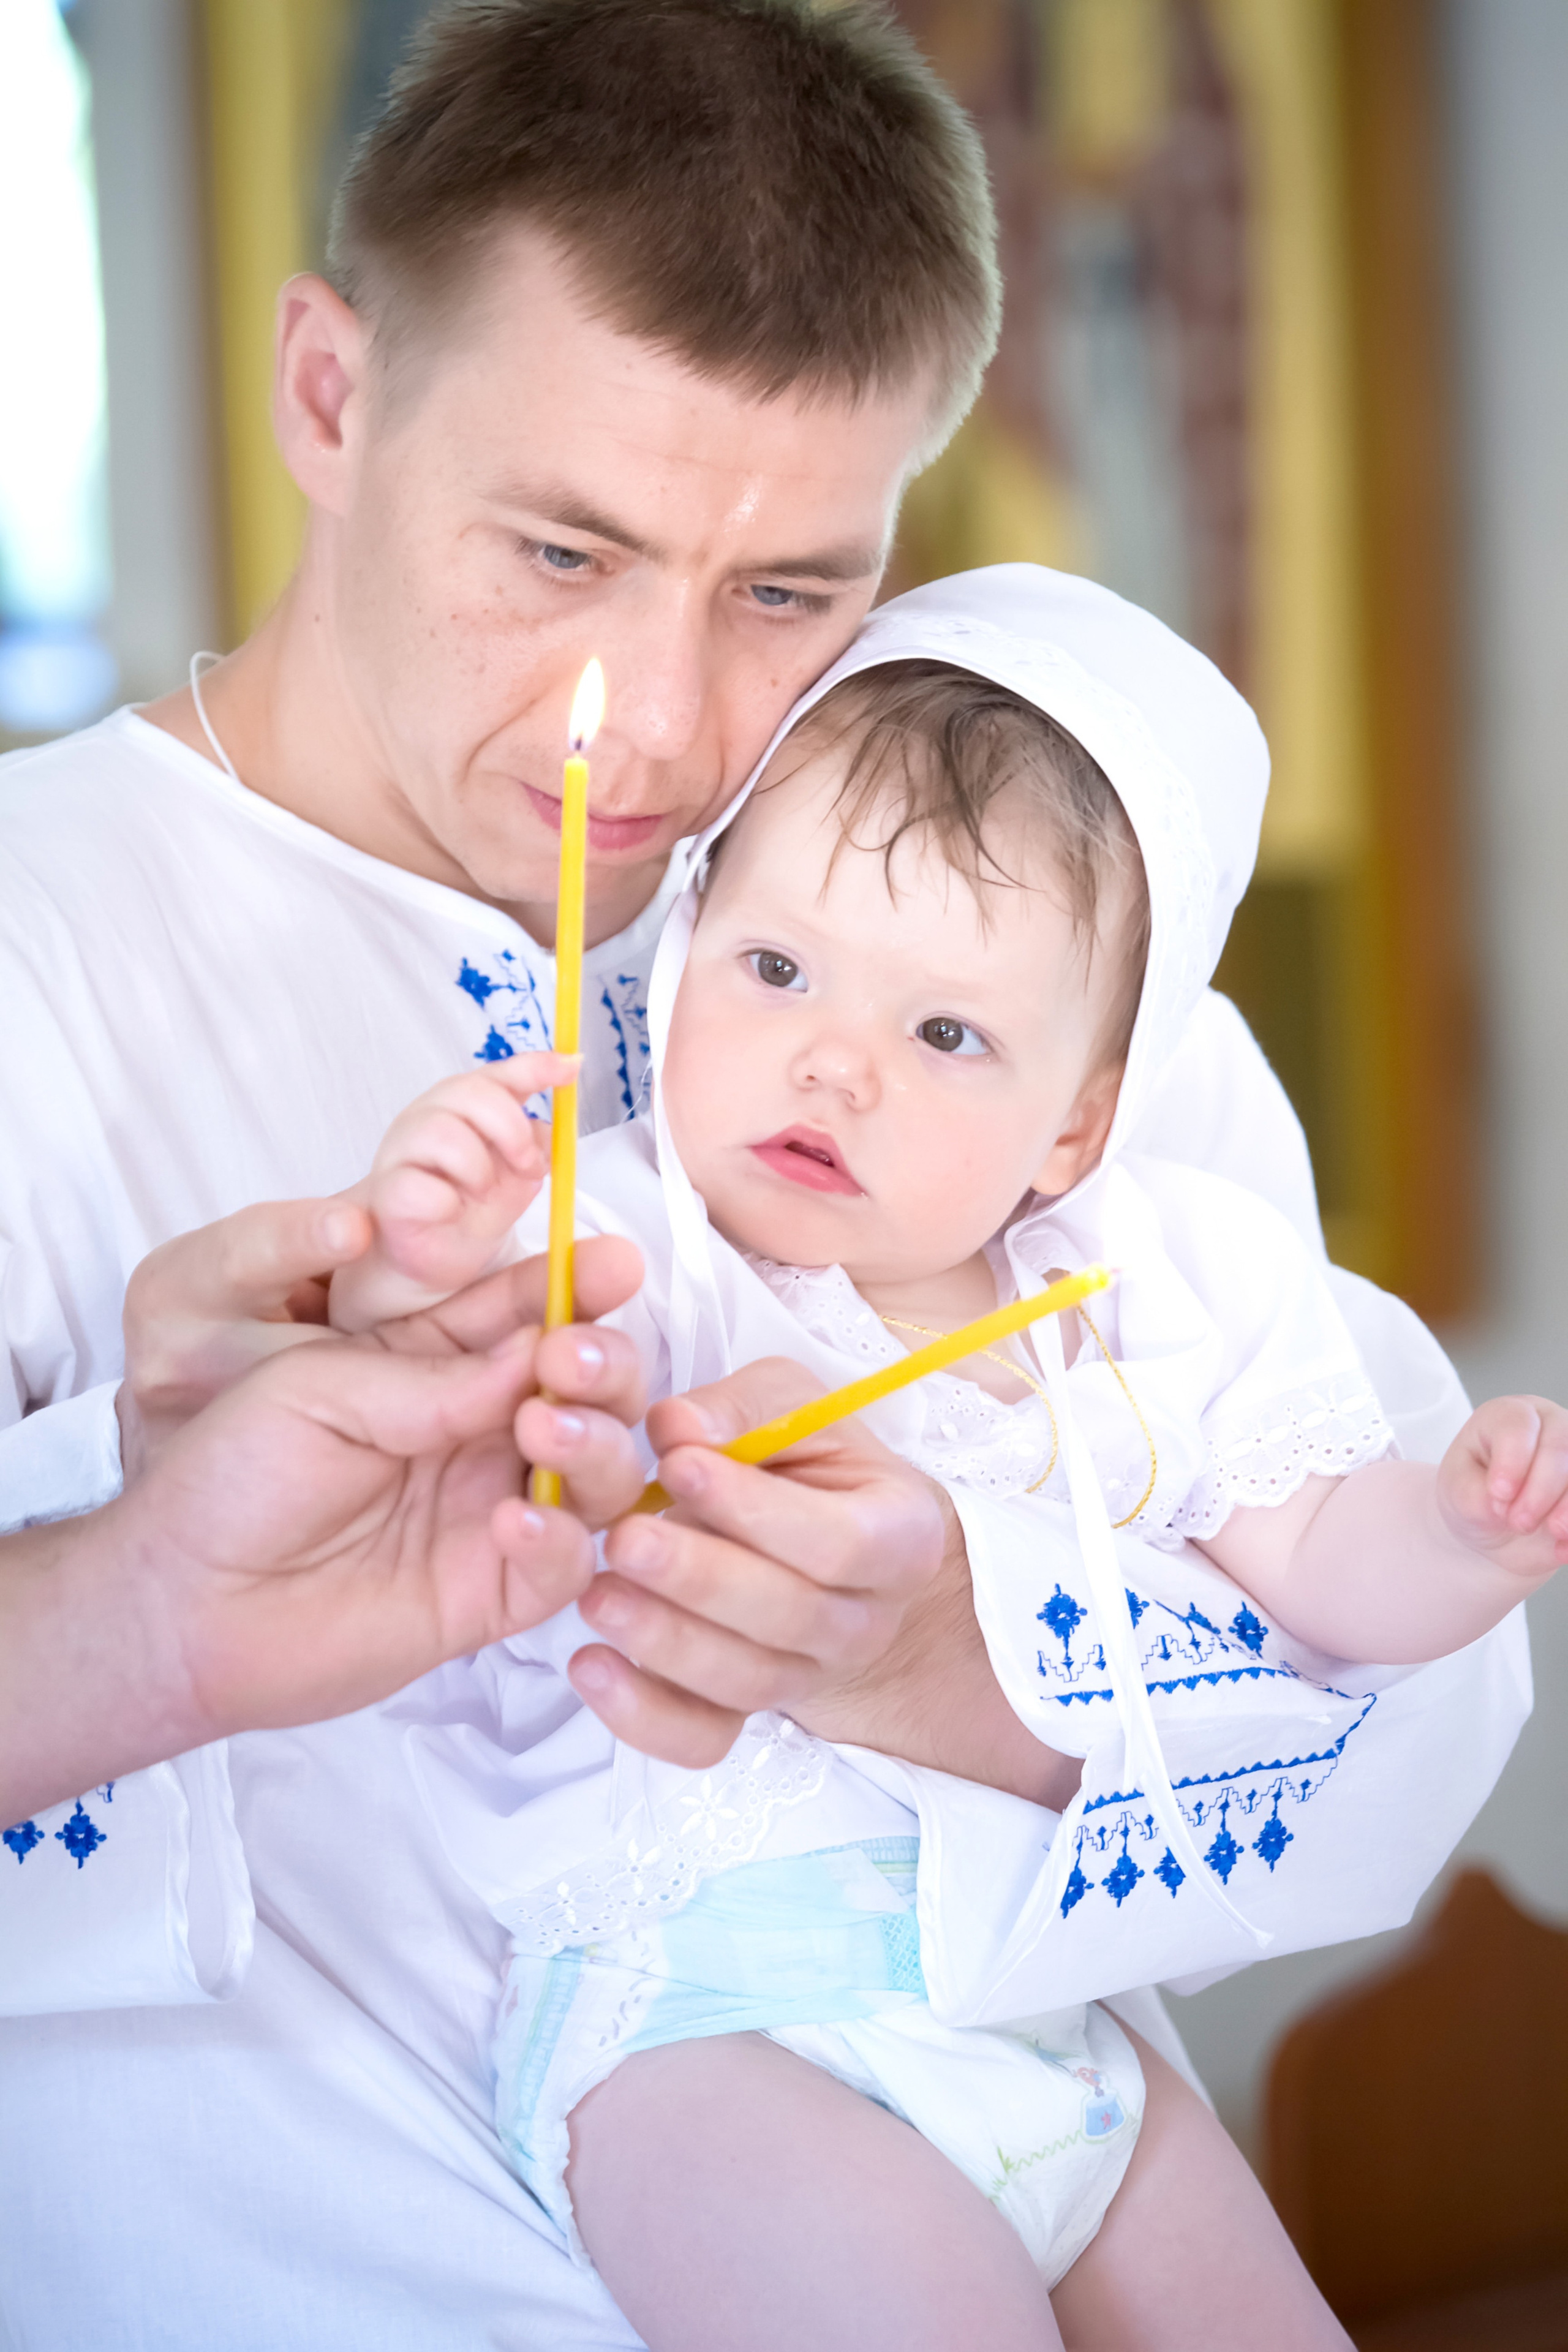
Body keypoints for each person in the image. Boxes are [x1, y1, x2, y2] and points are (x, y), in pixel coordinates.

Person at [0, 5, 1513, 2346]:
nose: (681, 726)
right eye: (561, 545)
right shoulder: (32, 945)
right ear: (329, 392)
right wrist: (115, 1576)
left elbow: (1403, 1700)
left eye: (793, 587)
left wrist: (961, 1661)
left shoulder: (1026, 973)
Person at [319, 566, 1540, 2352]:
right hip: (714, 2026)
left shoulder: (1145, 1297)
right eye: (779, 968)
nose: (834, 1065)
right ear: (687, 941)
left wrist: (1459, 1531)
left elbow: (1318, 1563)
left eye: (946, 1030)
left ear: (1076, 1125)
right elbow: (452, 1439)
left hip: (1064, 2037)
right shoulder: (635, 1242)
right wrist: (412, 1258)